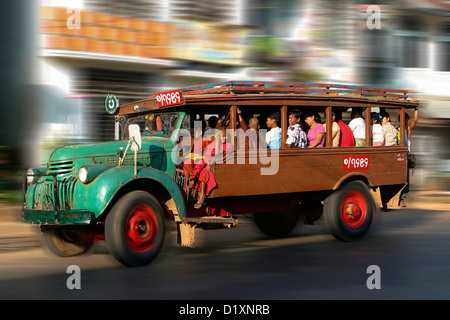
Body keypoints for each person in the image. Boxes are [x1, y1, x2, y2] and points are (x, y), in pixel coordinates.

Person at [193, 127, 233, 209]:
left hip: (218, 166)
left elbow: (218, 154)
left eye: (225, 136)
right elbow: (207, 155)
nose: (224, 138)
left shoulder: (228, 145)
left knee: (204, 172)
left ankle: (202, 196)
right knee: (199, 168)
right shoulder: (212, 143)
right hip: (210, 164)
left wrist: (218, 141)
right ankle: (197, 191)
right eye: (222, 136)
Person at [398, 108, 419, 207]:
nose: (406, 122)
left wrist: (416, 110)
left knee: (405, 179)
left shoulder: (408, 130)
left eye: (406, 120)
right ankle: (399, 198)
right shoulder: (397, 130)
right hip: (398, 157)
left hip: (406, 157)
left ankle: (402, 199)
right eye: (405, 120)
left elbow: (415, 121)